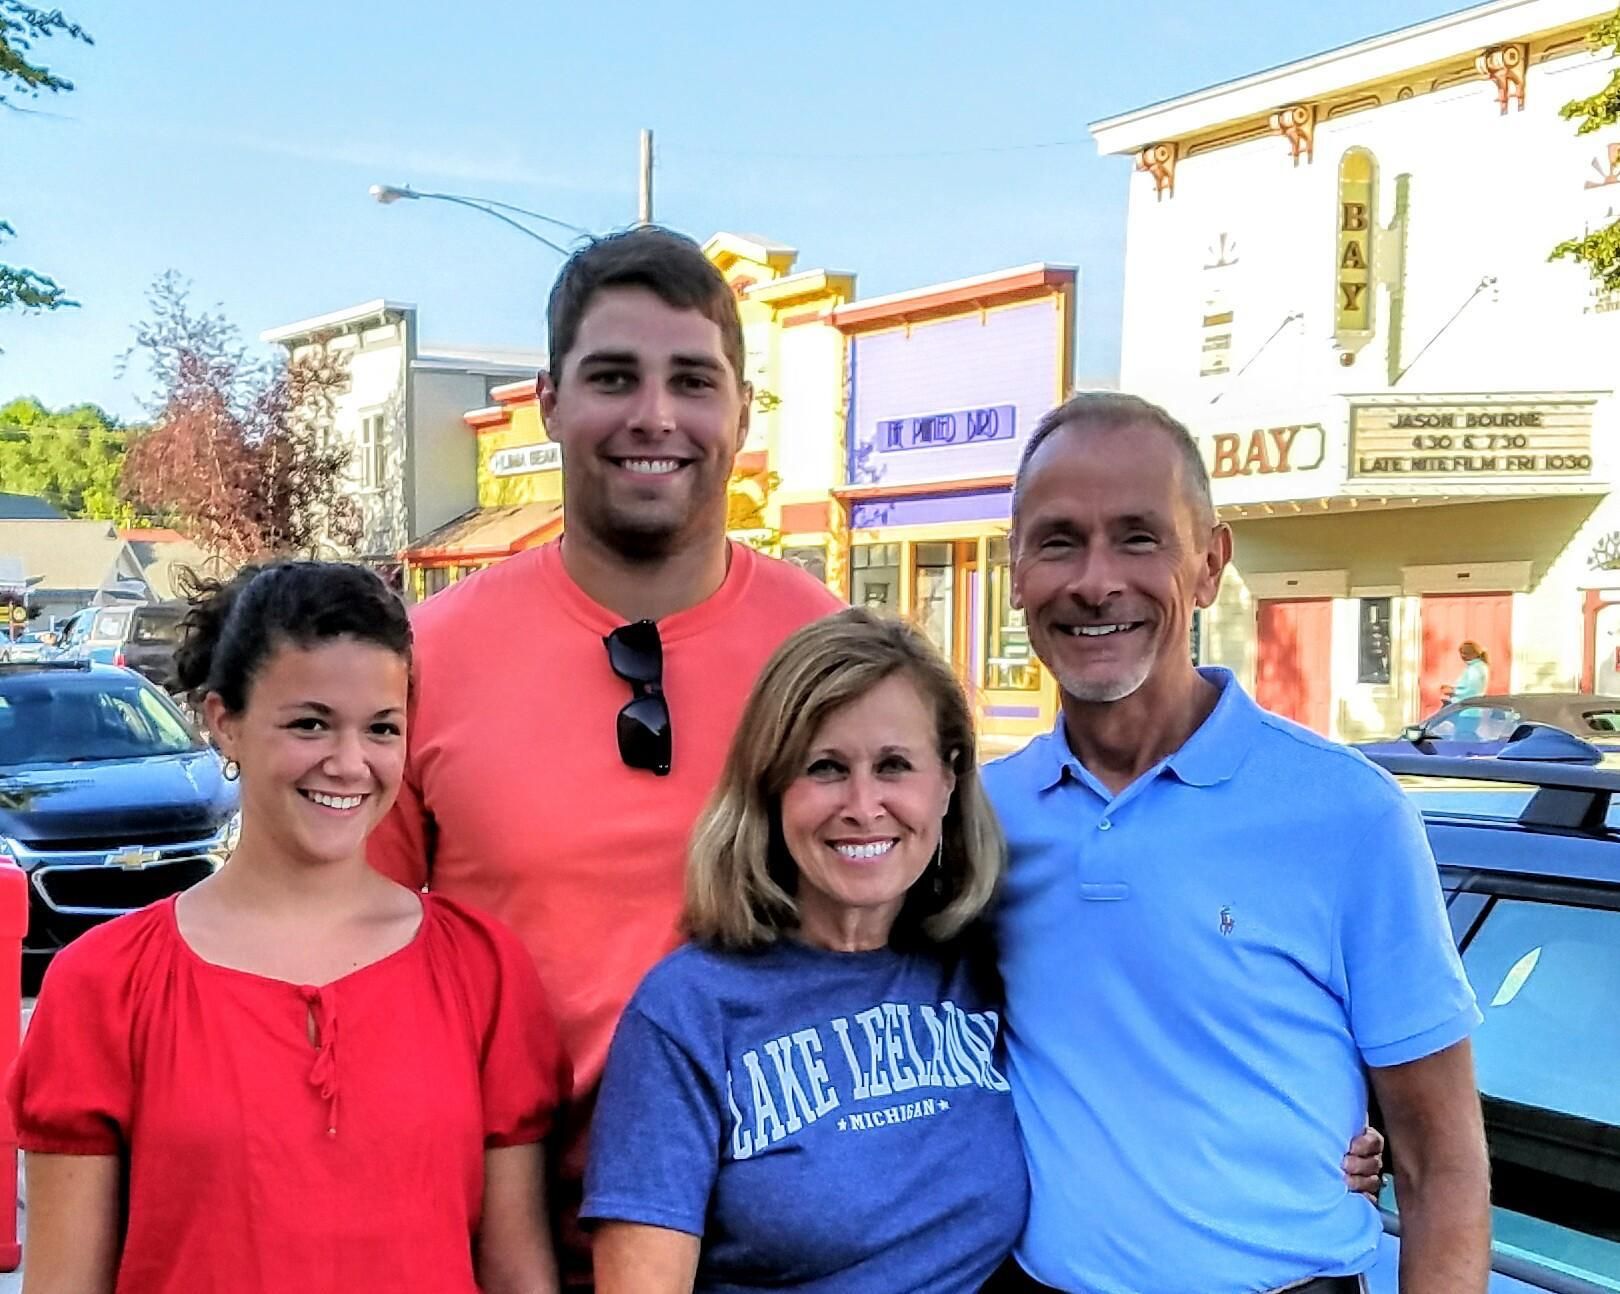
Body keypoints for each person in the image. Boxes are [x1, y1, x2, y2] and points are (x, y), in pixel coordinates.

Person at [366, 226, 843, 1284]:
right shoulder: (422, 664)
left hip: (799, 1237)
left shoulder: (831, 657)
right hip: (511, 1240)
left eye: (692, 380)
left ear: (744, 410)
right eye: (614, 377)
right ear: (548, 401)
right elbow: (348, 961)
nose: (654, 416)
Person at [981, 392, 1491, 1294]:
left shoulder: (1349, 815)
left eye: (1141, 537)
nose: (1096, 581)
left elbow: (1440, 1163)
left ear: (1210, 563)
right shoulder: (978, 821)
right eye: (1059, 540)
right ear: (1015, 570)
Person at [8, 561, 564, 1294]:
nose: (348, 762)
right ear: (223, 723)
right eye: (310, 723)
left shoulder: (481, 970)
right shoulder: (104, 985)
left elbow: (516, 1269)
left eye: (381, 729)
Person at [582, 609, 1026, 1293]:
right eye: (824, 768)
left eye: (894, 765)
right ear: (770, 788)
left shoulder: (985, 966)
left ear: (947, 780)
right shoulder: (688, 1011)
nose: (862, 804)